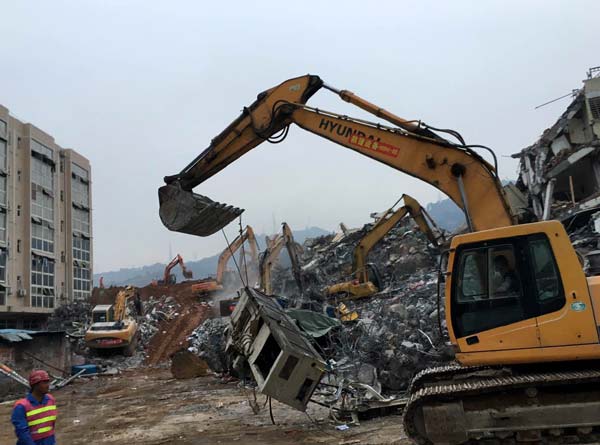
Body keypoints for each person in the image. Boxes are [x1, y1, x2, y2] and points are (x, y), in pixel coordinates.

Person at [11, 370, 57, 445]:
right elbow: (22, 433)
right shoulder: (21, 407)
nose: (48, 385)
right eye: (44, 382)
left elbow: (51, 426)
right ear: (35, 385)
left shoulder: (51, 400)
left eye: (48, 382)